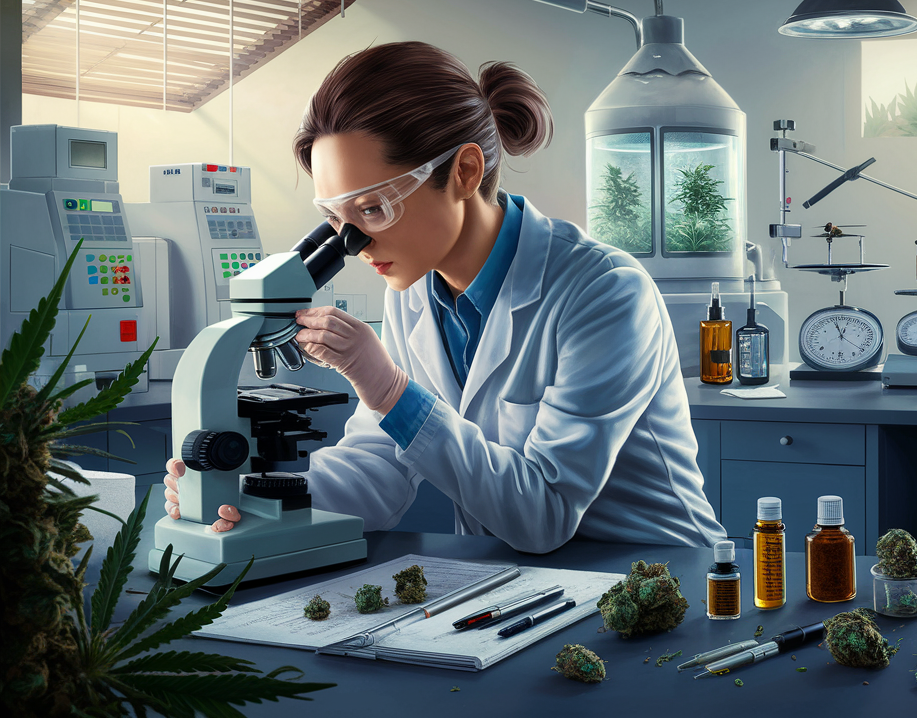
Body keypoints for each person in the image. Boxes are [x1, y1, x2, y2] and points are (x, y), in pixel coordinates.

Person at [164, 41, 725, 553]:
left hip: (656, 573)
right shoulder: (412, 291)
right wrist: (254, 496)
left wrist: (389, 390)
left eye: (373, 209)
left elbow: (545, 514)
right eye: (336, 219)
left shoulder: (603, 292)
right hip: (514, 578)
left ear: (464, 170)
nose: (355, 244)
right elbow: (379, 469)